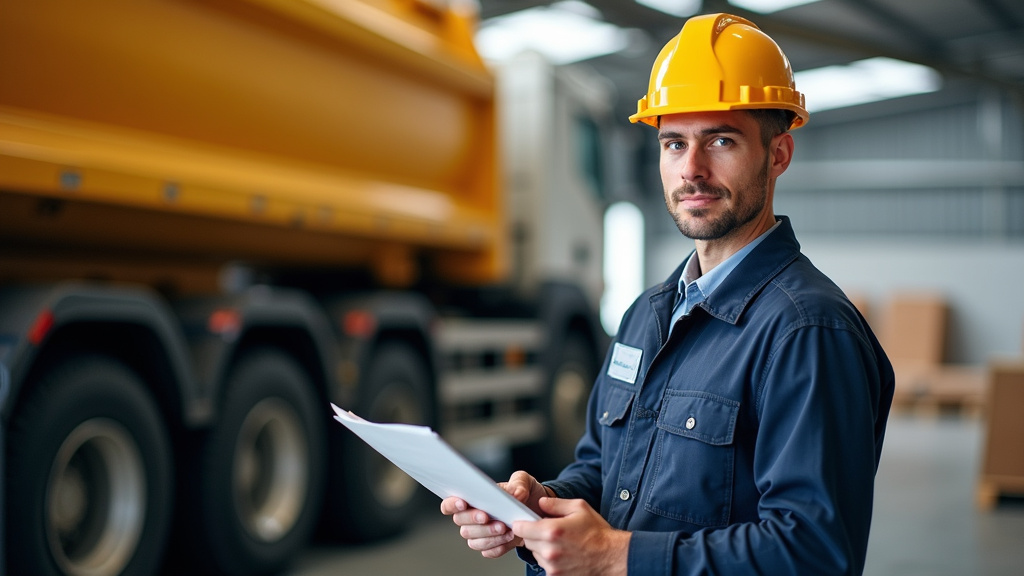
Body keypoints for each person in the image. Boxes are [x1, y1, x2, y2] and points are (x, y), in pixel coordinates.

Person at [441, 12, 895, 576]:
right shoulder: (646, 315)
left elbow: (815, 552)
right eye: (674, 143)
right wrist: (540, 505)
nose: (692, 170)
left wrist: (616, 555)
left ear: (778, 154)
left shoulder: (807, 332)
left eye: (721, 141)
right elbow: (605, 470)